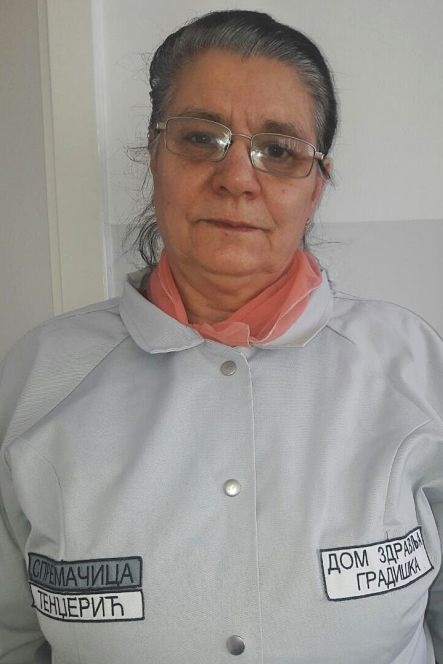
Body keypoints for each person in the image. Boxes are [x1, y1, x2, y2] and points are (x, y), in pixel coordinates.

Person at [0, 9, 442, 664]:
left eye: (279, 151)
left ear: (316, 187)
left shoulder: (413, 365)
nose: (236, 178)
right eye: (201, 137)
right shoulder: (40, 378)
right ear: (154, 155)